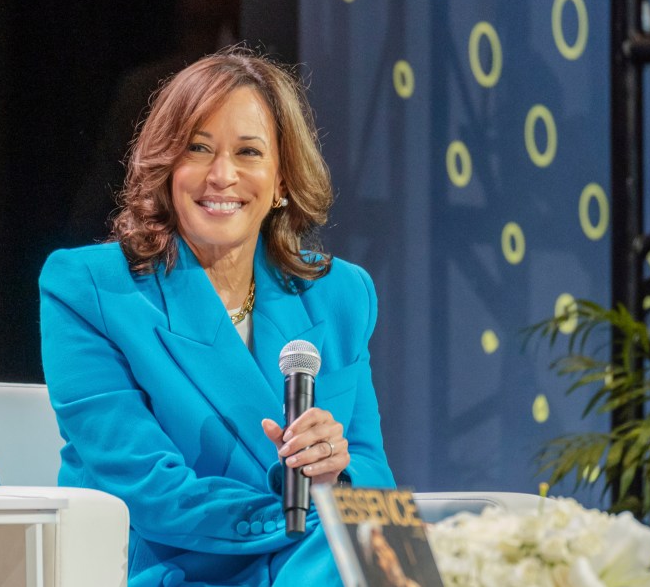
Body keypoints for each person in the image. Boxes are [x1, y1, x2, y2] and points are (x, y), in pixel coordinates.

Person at [39, 47, 395, 586]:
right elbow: (152, 490)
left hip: (316, 557)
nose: (222, 175)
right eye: (198, 149)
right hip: (182, 565)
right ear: (166, 169)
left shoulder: (340, 293)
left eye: (249, 152)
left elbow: (372, 479)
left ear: (281, 181)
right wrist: (305, 518)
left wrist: (336, 477)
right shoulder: (89, 289)